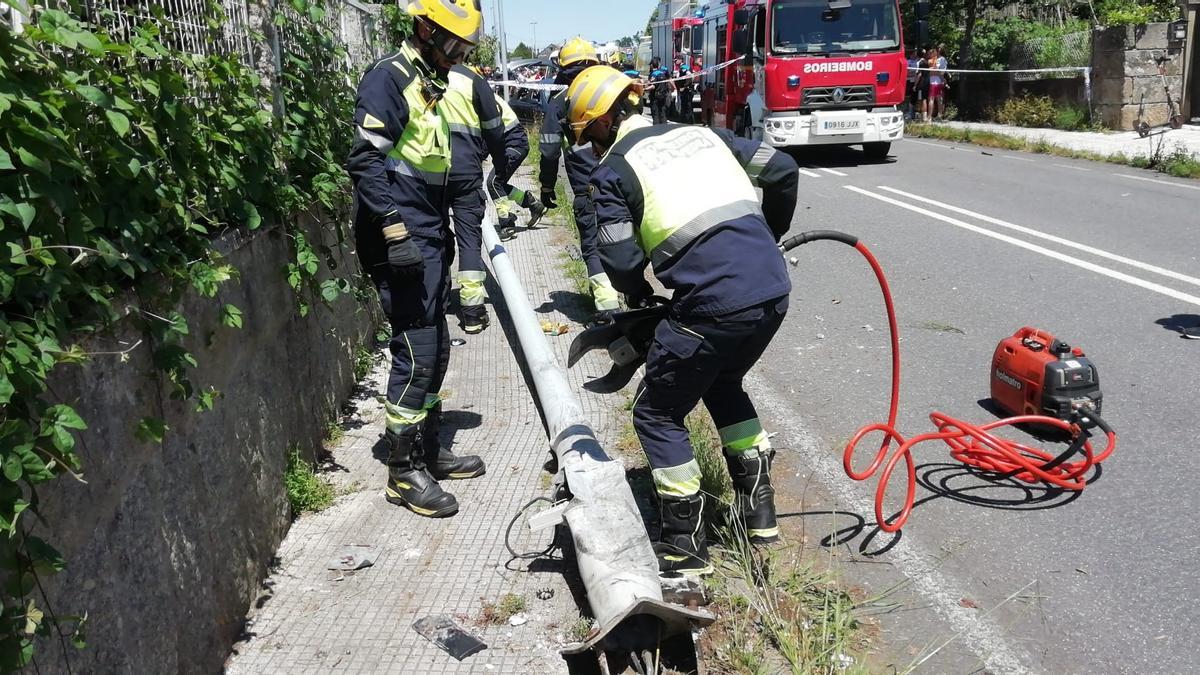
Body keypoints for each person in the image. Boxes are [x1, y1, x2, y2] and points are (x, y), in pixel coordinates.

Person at [564, 66, 801, 575]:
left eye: (589, 134)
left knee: (656, 411)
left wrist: (639, 296)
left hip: (714, 303)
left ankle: (685, 545)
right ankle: (759, 518)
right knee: (723, 381)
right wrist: (772, 236)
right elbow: (781, 169)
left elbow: (621, 260)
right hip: (773, 290)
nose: (590, 145)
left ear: (603, 122)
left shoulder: (613, 171)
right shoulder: (706, 135)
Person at [346, 0, 487, 519]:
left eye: (463, 48)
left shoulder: (431, 82)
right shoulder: (390, 77)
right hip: (399, 238)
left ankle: (427, 451)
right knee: (416, 347)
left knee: (437, 345)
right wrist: (395, 231)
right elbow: (365, 159)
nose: (456, 56)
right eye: (451, 44)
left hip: (427, 235)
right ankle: (402, 473)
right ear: (424, 29)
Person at [538, 38, 621, 319]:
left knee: (593, 242)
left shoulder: (562, 101)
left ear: (562, 69)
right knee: (627, 237)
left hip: (588, 187)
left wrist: (547, 185)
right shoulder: (614, 90)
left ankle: (608, 309)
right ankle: (633, 299)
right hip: (626, 181)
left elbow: (549, 151)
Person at [439, 64, 517, 335]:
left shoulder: (417, 74)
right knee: (469, 240)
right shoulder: (471, 80)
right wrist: (499, 164)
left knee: (434, 236)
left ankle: (437, 301)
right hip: (465, 170)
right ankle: (472, 313)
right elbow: (494, 129)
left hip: (428, 171)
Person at [488, 92, 545, 241]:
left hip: (515, 144)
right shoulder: (484, 95)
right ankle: (531, 203)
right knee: (498, 184)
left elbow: (490, 132)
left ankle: (507, 225)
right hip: (513, 143)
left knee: (493, 182)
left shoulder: (484, 99)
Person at [647, 57, 674, 125]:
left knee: (655, 114)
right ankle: (664, 128)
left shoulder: (653, 74)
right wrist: (673, 88)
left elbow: (653, 86)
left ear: (652, 65)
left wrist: (644, 89)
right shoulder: (662, 73)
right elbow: (668, 81)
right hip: (663, 95)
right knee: (663, 113)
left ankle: (656, 130)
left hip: (655, 97)